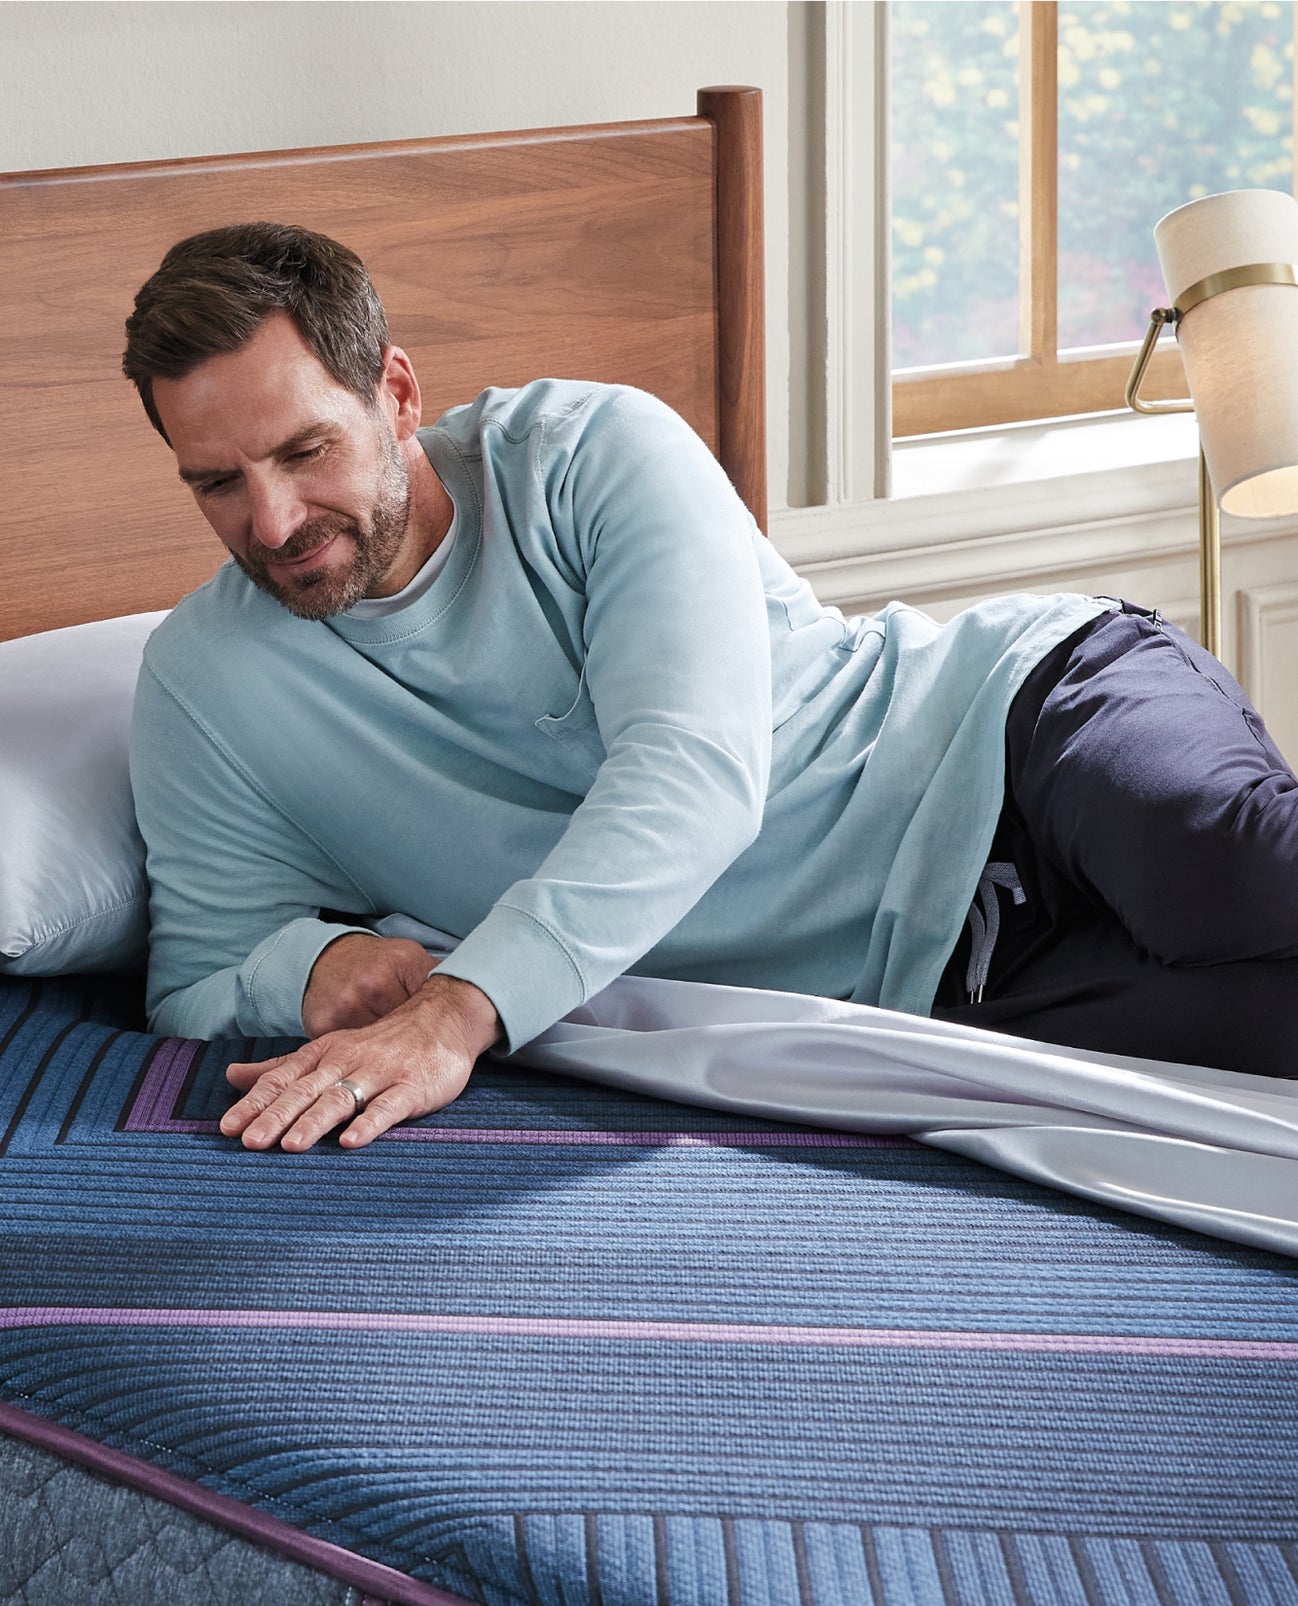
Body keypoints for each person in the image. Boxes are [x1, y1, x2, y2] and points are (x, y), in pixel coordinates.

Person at [121, 223, 1298, 1153]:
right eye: (216, 482)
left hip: (1014, 723)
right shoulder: (205, 688)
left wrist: (457, 1008)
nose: (270, 522)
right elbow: (195, 977)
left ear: (395, 394)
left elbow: (691, 774)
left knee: (1235, 879)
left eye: (304, 451)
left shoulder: (588, 452)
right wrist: (310, 967)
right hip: (924, 989)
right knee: (1265, 1039)